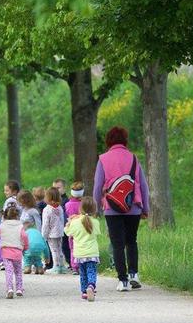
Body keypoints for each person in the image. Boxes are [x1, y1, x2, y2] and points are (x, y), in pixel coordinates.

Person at [93, 126, 149, 292]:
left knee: (117, 244)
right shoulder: (133, 158)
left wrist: (96, 207)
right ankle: (134, 274)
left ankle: (123, 281)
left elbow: (97, 186)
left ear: (108, 141)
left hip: (112, 207)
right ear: (125, 140)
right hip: (133, 207)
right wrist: (145, 207)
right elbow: (143, 185)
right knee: (131, 241)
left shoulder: (103, 159)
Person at [64, 197, 101, 302]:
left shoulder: (75, 222)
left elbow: (68, 232)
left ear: (80, 208)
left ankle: (84, 292)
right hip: (92, 252)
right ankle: (91, 286)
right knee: (91, 271)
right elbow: (97, 232)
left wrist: (69, 222)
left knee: (83, 273)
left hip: (79, 253)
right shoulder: (95, 222)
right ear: (94, 209)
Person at [0, 207, 28, 298]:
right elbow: (24, 236)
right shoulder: (20, 226)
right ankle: (19, 289)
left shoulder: (2, 225)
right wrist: (25, 246)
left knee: (9, 271)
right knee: (18, 271)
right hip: (17, 252)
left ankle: (10, 289)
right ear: (17, 216)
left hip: (6, 252)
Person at [42, 187, 66, 273]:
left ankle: (56, 266)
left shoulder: (47, 209)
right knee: (59, 249)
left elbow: (45, 224)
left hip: (51, 234)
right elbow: (62, 220)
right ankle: (62, 266)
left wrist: (43, 235)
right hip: (60, 232)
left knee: (54, 250)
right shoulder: (60, 208)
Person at [64, 181, 85, 274]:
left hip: (72, 229)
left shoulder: (67, 205)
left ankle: (75, 266)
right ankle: (82, 265)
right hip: (83, 229)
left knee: (73, 248)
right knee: (83, 246)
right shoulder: (84, 204)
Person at [53, 178, 72, 272]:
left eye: (58, 188)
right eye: (54, 188)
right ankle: (62, 263)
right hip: (57, 227)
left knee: (66, 245)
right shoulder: (54, 201)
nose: (56, 190)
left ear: (64, 188)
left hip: (65, 227)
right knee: (59, 247)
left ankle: (71, 262)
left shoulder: (66, 201)